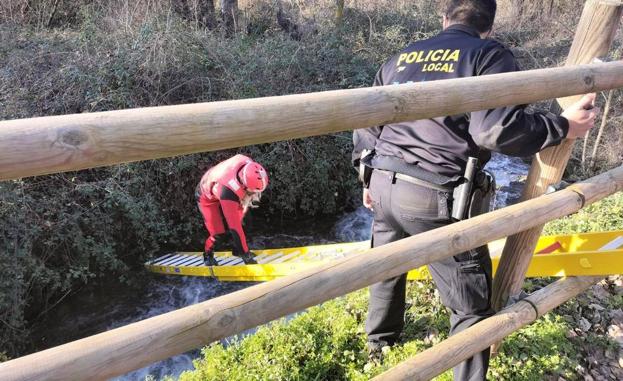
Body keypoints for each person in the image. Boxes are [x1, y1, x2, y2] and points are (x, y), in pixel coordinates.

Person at [352, 1, 598, 380]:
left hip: (384, 182)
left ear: (444, 16)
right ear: (490, 25)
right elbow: (495, 131)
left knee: (388, 266)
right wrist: (562, 127)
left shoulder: (401, 57)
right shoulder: (489, 55)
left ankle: (378, 343)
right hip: (435, 193)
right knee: (470, 307)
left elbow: (367, 124)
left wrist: (365, 176)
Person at [196, 154, 268, 266]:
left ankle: (236, 250)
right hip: (206, 196)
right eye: (253, 192)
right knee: (218, 234)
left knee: (246, 222)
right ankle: (207, 254)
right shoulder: (228, 192)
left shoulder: (250, 165)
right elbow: (234, 227)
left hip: (222, 178)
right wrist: (247, 257)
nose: (255, 195)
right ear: (244, 185)